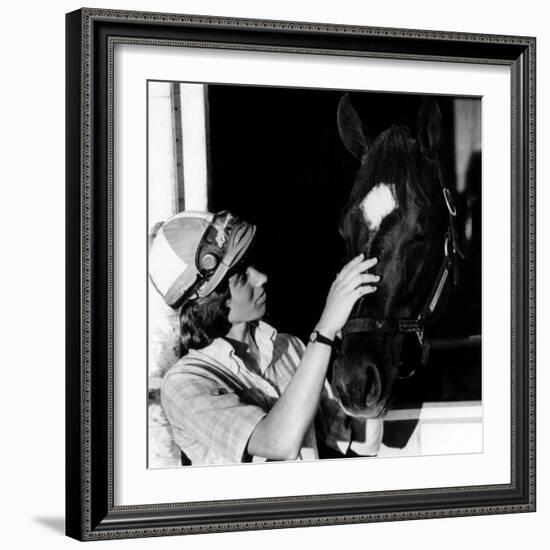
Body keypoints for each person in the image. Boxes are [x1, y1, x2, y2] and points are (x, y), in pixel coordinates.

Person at [149, 210, 383, 465]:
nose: (262, 278)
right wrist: (324, 331)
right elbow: (278, 443)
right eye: (241, 275)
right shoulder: (185, 383)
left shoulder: (290, 348)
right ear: (208, 299)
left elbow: (361, 441)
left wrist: (367, 338)